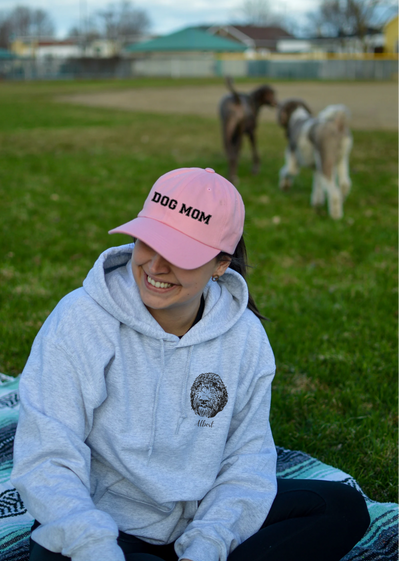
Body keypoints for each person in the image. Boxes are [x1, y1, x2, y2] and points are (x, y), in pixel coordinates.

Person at [11, 167, 369, 561]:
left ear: (221, 264)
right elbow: (47, 457)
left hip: (200, 518)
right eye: (147, 241)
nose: (155, 266)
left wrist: (208, 544)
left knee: (340, 507)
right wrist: (93, 545)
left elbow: (246, 461)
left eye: (180, 253)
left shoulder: (244, 337)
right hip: (99, 529)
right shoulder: (81, 320)